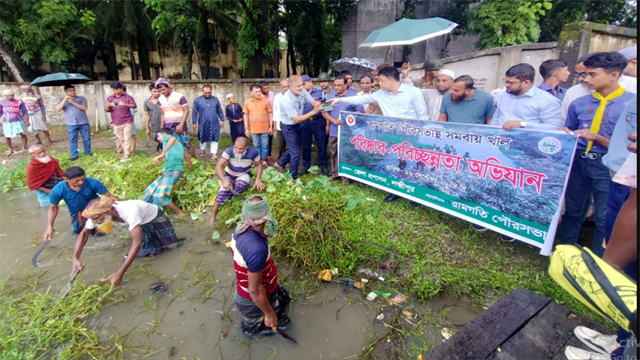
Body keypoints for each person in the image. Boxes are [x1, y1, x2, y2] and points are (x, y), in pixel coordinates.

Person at [560, 52, 634, 251]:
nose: (586, 79)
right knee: (574, 210)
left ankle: (601, 262)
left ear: (614, 75)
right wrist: (566, 134)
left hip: (609, 165)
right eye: (585, 74)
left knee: (605, 215)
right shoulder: (579, 104)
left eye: (593, 75)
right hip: (579, 160)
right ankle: (565, 251)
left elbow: (629, 145)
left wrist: (598, 138)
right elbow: (569, 130)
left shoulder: (631, 105)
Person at [328, 66, 428, 204]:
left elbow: (423, 115)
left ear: (391, 80)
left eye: (381, 80)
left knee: (412, 164)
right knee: (396, 162)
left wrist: (418, 132)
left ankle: (414, 194)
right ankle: (395, 191)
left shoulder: (413, 92)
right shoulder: (381, 93)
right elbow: (362, 99)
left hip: (410, 135)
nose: (378, 83)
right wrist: (341, 100)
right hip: (392, 134)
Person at [73, 197, 182, 288]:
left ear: (107, 212)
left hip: (153, 216)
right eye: (92, 219)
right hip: (139, 223)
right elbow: (84, 234)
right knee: (150, 251)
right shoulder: (96, 215)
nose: (95, 222)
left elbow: (137, 243)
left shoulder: (129, 212)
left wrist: (120, 273)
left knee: (171, 246)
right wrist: (75, 258)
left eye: (96, 218)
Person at [230, 194, 291, 338]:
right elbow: (255, 290)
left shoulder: (239, 229)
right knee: (275, 326)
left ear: (245, 215)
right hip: (252, 301)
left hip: (253, 289)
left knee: (284, 301)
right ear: (267, 217)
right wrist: (269, 313)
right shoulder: (256, 249)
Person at [43, 166, 118, 240]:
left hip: (96, 211)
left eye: (83, 179)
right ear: (66, 179)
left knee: (102, 232)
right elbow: (53, 208)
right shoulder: (58, 190)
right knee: (79, 234)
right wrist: (50, 227)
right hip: (77, 213)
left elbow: (110, 196)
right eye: (77, 180)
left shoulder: (93, 182)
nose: (81, 182)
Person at [272, 75, 323, 179]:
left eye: (302, 85)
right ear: (290, 86)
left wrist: (321, 105)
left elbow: (312, 101)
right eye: (298, 86)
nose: (301, 87)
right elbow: (296, 119)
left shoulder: (301, 91)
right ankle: (292, 177)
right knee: (295, 152)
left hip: (297, 125)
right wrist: (313, 112)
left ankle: (279, 163)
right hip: (288, 126)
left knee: (296, 147)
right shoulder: (285, 100)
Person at [493, 63, 564, 131]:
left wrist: (522, 124)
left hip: (528, 141)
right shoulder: (504, 95)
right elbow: (497, 117)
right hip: (500, 140)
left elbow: (555, 127)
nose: (506, 85)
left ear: (526, 83)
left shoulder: (547, 100)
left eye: (510, 83)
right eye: (506, 81)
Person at [210, 137, 264, 224]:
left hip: (244, 174)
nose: (238, 150)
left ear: (246, 147)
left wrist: (258, 179)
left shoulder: (253, 152)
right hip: (229, 174)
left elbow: (259, 164)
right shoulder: (229, 151)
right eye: (236, 147)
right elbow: (218, 166)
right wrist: (223, 180)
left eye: (241, 148)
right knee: (221, 193)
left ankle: (229, 196)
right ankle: (213, 216)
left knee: (241, 185)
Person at [323, 76, 364, 184]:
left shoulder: (353, 97)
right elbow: (325, 112)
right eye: (335, 85)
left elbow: (360, 112)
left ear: (346, 85)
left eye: (340, 85)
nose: (337, 87)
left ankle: (346, 175)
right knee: (334, 152)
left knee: (347, 153)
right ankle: (334, 173)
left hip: (348, 131)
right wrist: (333, 120)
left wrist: (348, 116)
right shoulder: (331, 96)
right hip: (334, 130)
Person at [145, 128, 194, 218]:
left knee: (159, 197)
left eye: (158, 136)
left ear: (163, 134)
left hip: (173, 171)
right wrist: (192, 174)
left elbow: (172, 138)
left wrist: (162, 154)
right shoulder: (178, 146)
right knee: (149, 191)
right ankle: (148, 213)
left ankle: (180, 213)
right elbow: (188, 161)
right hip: (168, 172)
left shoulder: (168, 138)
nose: (157, 138)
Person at [300, 74, 329, 176]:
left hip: (318, 121)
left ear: (310, 82)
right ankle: (306, 166)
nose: (302, 86)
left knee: (321, 145)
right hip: (305, 122)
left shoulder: (320, 92)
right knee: (306, 145)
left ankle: (324, 166)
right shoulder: (299, 94)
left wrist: (327, 123)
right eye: (301, 84)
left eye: (304, 83)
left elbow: (327, 108)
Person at [55, 85, 92, 161]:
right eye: (70, 91)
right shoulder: (61, 99)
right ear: (66, 92)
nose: (72, 92)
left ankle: (87, 152)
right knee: (73, 139)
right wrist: (65, 100)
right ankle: (74, 154)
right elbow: (58, 108)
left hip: (83, 122)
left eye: (73, 90)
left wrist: (72, 102)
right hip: (71, 123)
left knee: (86, 138)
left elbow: (84, 108)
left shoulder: (81, 98)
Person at [105, 81, 137, 161]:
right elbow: (107, 110)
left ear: (120, 88)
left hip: (127, 121)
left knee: (127, 138)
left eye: (116, 89)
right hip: (116, 121)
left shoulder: (128, 97)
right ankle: (126, 152)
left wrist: (124, 104)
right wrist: (108, 106)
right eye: (113, 90)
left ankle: (126, 154)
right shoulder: (110, 98)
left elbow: (134, 105)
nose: (115, 91)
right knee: (120, 139)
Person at [243, 85, 273, 167]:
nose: (259, 93)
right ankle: (257, 160)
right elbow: (245, 115)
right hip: (253, 128)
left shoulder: (266, 101)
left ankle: (264, 160)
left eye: (259, 91)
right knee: (256, 145)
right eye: (256, 92)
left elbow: (270, 113)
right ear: (251, 93)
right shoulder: (247, 102)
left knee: (265, 145)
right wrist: (246, 128)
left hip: (265, 127)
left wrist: (271, 126)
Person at [192, 85, 225, 160]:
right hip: (203, 123)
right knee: (202, 137)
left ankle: (214, 154)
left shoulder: (215, 100)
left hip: (214, 123)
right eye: (206, 93)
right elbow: (194, 112)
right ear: (202, 91)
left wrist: (222, 119)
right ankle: (203, 151)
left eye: (209, 93)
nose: (207, 94)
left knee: (215, 137)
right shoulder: (197, 100)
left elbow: (219, 110)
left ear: (211, 91)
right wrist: (194, 122)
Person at [1, 88, 29, 156]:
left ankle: (24, 147)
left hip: (18, 120)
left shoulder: (19, 102)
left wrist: (26, 120)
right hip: (7, 122)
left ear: (14, 95)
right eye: (8, 96)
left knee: (23, 134)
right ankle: (10, 149)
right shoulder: (1, 102)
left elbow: (25, 112)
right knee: (7, 136)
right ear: (5, 96)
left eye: (12, 95)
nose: (10, 97)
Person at [271, 79, 289, 159]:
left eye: (288, 86)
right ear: (280, 87)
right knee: (281, 145)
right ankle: (281, 162)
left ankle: (290, 161)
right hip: (279, 126)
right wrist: (274, 123)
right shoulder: (277, 97)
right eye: (284, 87)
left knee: (291, 145)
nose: (286, 88)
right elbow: (275, 111)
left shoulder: (294, 97)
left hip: (290, 126)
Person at [259, 81, 275, 158]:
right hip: (263, 119)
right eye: (265, 88)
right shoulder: (259, 96)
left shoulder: (271, 94)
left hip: (271, 117)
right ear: (261, 89)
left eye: (268, 87)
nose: (267, 89)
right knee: (263, 139)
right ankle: (262, 155)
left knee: (270, 136)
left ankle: (268, 154)